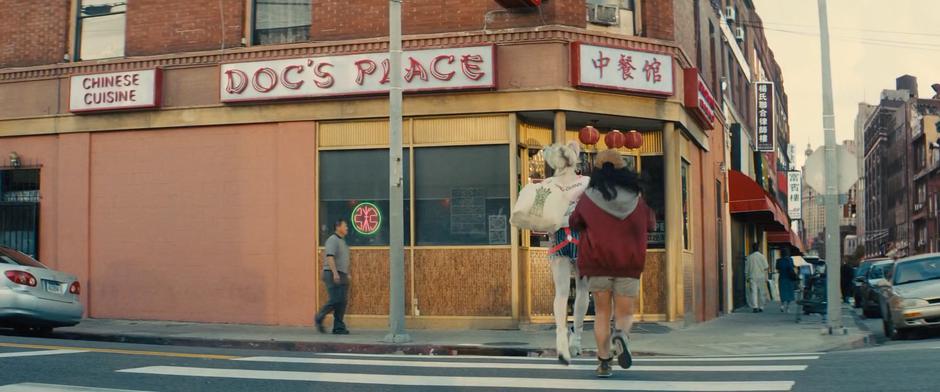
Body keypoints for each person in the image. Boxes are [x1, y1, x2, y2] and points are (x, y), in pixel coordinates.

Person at [569, 149, 655, 378]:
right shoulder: (637, 198)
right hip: (629, 263)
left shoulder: (589, 197)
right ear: (623, 171)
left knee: (602, 314)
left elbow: (575, 221)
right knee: (624, 314)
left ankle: (604, 362)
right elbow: (651, 224)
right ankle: (621, 336)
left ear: (596, 171)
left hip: (597, 263)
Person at [315, 219, 351, 335]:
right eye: (345, 226)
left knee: (342, 302)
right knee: (335, 300)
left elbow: (342, 260)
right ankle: (319, 317)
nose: (347, 228)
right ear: (338, 226)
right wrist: (335, 273)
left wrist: (346, 273)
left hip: (342, 274)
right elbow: (330, 257)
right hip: (332, 273)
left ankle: (338, 327)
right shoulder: (332, 240)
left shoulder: (343, 241)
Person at [745, 244, 769, 313]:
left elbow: (746, 269)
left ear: (752, 249)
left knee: (753, 292)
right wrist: (766, 277)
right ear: (758, 248)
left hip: (752, 276)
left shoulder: (749, 257)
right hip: (761, 276)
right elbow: (766, 267)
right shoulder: (762, 257)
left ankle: (755, 307)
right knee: (761, 292)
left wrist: (747, 277)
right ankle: (761, 307)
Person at [776, 248, 798, 313]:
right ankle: (788, 307)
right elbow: (793, 267)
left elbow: (777, 268)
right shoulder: (790, 260)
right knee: (789, 293)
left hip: (782, 278)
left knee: (783, 292)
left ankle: (782, 305)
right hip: (789, 279)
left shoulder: (778, 260)